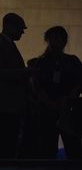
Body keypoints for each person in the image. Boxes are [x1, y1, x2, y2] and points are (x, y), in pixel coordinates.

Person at [0, 13, 36, 159]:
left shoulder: (4, 45)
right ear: (8, 26)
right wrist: (24, 72)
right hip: (5, 105)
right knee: (4, 143)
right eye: (20, 28)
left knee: (8, 142)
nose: (22, 32)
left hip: (10, 105)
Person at [30, 26, 82, 159]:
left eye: (58, 39)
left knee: (73, 148)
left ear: (64, 41)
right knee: (47, 149)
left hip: (68, 110)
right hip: (47, 110)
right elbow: (37, 87)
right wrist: (50, 103)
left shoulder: (73, 61)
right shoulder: (41, 63)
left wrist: (69, 99)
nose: (55, 42)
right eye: (52, 39)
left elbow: (79, 83)